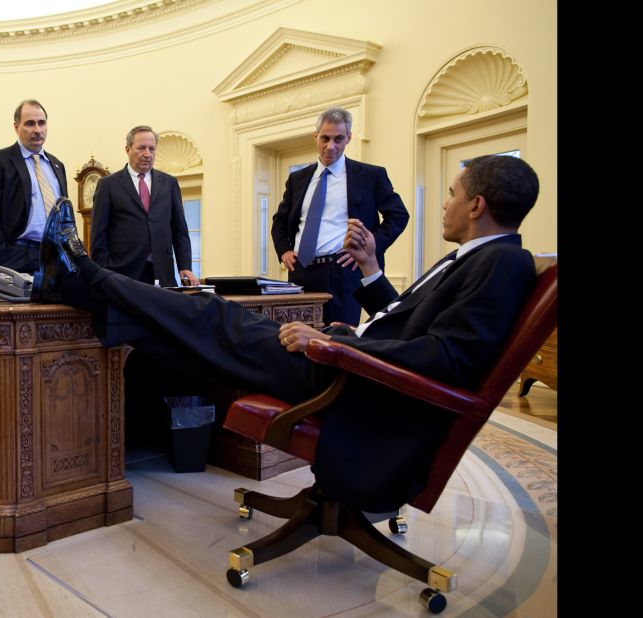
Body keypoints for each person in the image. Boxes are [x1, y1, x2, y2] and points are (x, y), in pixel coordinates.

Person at [32, 154, 538, 513]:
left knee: (212, 317)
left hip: (358, 389)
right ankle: (80, 286)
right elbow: (408, 320)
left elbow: (447, 357)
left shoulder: (502, 264)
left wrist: (339, 346)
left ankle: (88, 277)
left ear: (476, 207)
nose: (446, 203)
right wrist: (368, 272)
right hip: (355, 370)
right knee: (193, 339)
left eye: (452, 194)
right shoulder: (482, 258)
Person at [271, 106, 409, 325]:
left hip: (344, 271)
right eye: (325, 138)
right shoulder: (297, 179)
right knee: (297, 337)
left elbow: (399, 216)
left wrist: (369, 247)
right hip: (301, 273)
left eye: (338, 139)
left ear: (349, 138)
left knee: (338, 341)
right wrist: (284, 250)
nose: (330, 146)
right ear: (315, 136)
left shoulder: (370, 175)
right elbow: (279, 221)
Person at [90, 125, 198, 286]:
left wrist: (185, 266)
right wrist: (104, 271)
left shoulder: (169, 183)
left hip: (162, 272)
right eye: (141, 148)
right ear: (127, 149)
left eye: (152, 149)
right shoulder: (108, 185)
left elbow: (179, 230)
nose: (147, 154)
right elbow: (98, 234)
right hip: (122, 274)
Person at [0, 99, 69, 274]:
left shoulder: (57, 165)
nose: (37, 130)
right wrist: (3, 256)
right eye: (30, 124)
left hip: (55, 258)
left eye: (42, 123)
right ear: (16, 126)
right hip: (16, 256)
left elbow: (64, 215)